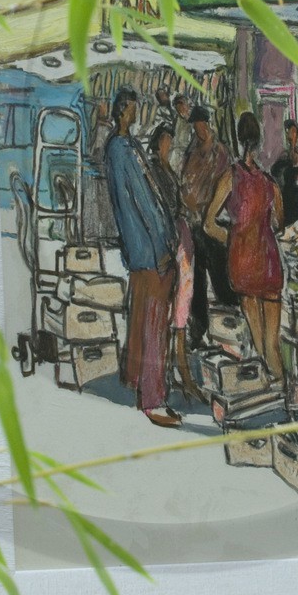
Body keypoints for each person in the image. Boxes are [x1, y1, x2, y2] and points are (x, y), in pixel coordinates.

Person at [103, 88, 180, 428]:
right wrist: (163, 245)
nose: (136, 113)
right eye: (133, 108)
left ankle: (134, 378)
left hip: (139, 247)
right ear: (123, 110)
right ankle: (153, 398)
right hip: (148, 248)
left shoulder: (124, 145)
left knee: (141, 317)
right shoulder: (122, 149)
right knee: (154, 323)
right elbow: (143, 203)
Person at [204, 112, 284, 382]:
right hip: (269, 262)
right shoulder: (270, 183)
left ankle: (266, 391)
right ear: (259, 141)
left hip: (244, 263)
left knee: (258, 342)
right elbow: (279, 222)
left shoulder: (230, 177)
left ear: (239, 140)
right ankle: (281, 387)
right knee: (273, 345)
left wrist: (233, 238)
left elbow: (208, 224)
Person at [148, 124, 203, 401]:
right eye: (166, 140)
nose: (169, 144)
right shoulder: (155, 171)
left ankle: (179, 369)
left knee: (183, 301)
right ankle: (178, 371)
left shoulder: (167, 169)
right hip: (172, 240)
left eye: (170, 139)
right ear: (158, 142)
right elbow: (164, 208)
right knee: (177, 304)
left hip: (181, 238)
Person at [179, 105, 236, 347]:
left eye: (199, 125)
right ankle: (198, 331)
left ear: (206, 123)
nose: (197, 129)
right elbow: (185, 180)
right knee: (198, 280)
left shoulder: (220, 151)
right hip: (194, 222)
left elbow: (226, 187)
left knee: (221, 279)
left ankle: (229, 332)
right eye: (194, 126)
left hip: (212, 222)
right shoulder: (192, 151)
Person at [268, 118, 298, 228]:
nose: (292, 135)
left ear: (297, 134)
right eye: (289, 132)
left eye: (294, 132)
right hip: (288, 201)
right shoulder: (283, 157)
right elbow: (275, 173)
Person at [169, 93, 194, 173]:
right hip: (177, 152)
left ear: (187, 105)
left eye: (182, 107)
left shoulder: (193, 120)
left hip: (188, 153)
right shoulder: (177, 119)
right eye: (178, 109)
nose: (181, 111)